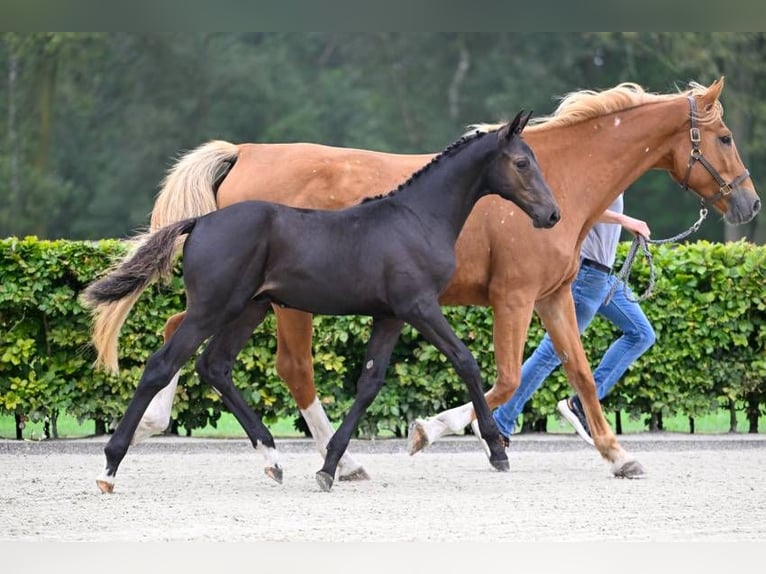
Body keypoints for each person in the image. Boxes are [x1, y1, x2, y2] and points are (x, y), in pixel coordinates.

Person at [491, 193, 656, 445]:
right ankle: (501, 421)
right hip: (586, 275)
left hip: (604, 278)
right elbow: (576, 207)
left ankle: (581, 403)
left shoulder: (618, 172)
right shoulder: (599, 168)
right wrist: (625, 220)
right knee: (552, 352)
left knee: (642, 334)